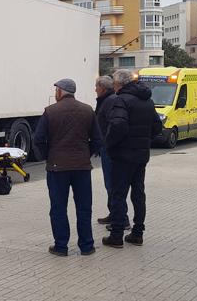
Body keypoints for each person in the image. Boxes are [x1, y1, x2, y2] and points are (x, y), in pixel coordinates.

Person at [33, 78, 102, 257]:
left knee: (58, 207)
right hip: (82, 167)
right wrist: (86, 154)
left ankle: (61, 246)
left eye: (56, 90)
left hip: (57, 168)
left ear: (61, 91)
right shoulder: (88, 110)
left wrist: (48, 156)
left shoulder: (50, 111)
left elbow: (38, 139)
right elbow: (97, 139)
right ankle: (87, 246)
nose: (55, 93)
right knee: (84, 207)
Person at [102, 70, 162, 248]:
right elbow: (157, 127)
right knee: (138, 193)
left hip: (122, 155)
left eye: (114, 82)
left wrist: (109, 143)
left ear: (119, 84)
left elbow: (118, 125)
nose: (113, 85)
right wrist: (144, 140)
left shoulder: (122, 100)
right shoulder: (147, 100)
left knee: (118, 194)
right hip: (141, 155)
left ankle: (117, 235)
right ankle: (137, 233)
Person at [95, 76, 130, 230]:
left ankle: (121, 219)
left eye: (96, 86)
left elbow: (112, 125)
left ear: (102, 87)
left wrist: (106, 143)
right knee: (111, 184)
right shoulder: (108, 99)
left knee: (112, 184)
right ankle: (114, 214)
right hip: (108, 148)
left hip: (109, 149)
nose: (94, 89)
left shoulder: (109, 101)